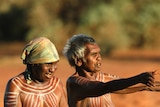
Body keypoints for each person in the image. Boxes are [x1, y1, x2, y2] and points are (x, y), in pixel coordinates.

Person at [62, 34, 159, 107]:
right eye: (93, 54)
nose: (99, 58)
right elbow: (105, 87)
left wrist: (147, 83)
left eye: (99, 53)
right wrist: (138, 78)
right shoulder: (75, 83)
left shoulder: (102, 78)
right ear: (78, 61)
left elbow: (131, 86)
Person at [4, 37, 68, 107]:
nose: (52, 69)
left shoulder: (56, 85)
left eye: (55, 63)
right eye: (48, 64)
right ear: (34, 64)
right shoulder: (17, 86)